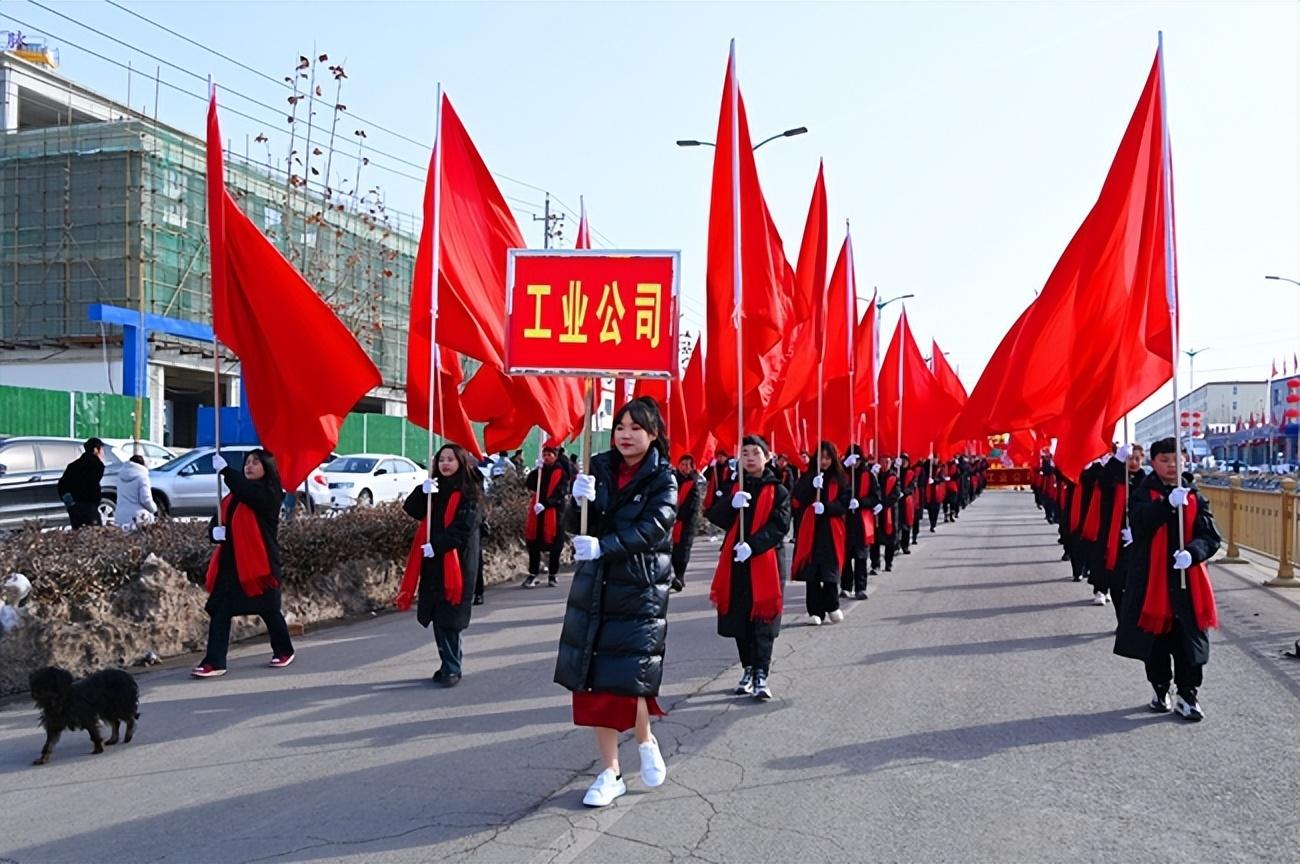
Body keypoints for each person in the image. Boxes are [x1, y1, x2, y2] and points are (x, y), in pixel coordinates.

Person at [555, 396, 677, 808]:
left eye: (635, 428)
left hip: (639, 589)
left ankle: (645, 739)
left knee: (628, 679)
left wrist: (603, 546)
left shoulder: (663, 479)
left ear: (653, 433)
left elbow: (653, 528)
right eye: (620, 427)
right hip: (596, 586)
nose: (625, 435)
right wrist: (577, 500)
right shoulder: (599, 468)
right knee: (595, 682)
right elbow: (576, 525)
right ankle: (611, 772)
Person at [1114, 437, 1221, 722]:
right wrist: (1167, 505)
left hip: (1188, 581)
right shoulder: (1142, 493)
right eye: (1165, 460)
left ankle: (1188, 694)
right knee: (1156, 641)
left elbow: (1211, 536)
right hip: (1152, 580)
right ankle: (1160, 688)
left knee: (1189, 641)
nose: (1172, 465)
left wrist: (1193, 553)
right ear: (1154, 463)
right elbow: (1140, 523)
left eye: (1177, 459)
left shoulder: (1194, 495)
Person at [191, 450, 295, 678]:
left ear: (267, 467)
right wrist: (215, 532)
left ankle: (284, 650)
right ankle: (215, 662)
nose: (249, 466)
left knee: (268, 609)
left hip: (259, 565)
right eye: (247, 462)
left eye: (255, 462)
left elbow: (251, 495)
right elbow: (219, 518)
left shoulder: (270, 493)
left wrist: (227, 472)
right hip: (231, 564)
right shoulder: (233, 496)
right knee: (220, 610)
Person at [706, 435, 790, 701]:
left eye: (756, 452)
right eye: (745, 453)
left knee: (762, 620)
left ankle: (762, 673)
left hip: (766, 562)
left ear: (767, 457)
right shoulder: (734, 487)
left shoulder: (778, 490)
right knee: (740, 617)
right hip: (737, 563)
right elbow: (714, 515)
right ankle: (748, 668)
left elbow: (779, 526)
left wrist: (753, 545)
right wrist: (730, 504)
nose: (750, 458)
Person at [396, 444, 484, 686]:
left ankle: (452, 668)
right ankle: (448, 663)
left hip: (457, 562)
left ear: (460, 462)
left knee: (449, 617)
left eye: (450, 459)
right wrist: (422, 492)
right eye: (441, 459)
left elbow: (465, 527)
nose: (445, 464)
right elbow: (412, 510)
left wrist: (439, 545)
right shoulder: (434, 487)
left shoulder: (470, 490)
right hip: (433, 562)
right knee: (437, 614)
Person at [790, 441, 850, 626]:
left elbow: (844, 504)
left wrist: (827, 508)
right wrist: (811, 486)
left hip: (831, 531)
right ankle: (815, 610)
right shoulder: (808, 476)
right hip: (811, 529)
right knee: (812, 574)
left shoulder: (841, 479)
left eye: (828, 458)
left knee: (830, 573)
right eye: (821, 458)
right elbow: (797, 500)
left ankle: (832, 605)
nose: (824, 461)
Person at [523, 446, 570, 589]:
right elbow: (530, 485)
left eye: (549, 454)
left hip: (555, 514)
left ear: (555, 456)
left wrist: (546, 504)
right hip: (537, 513)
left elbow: (561, 492)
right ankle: (533, 573)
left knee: (555, 546)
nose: (546, 457)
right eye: (544, 455)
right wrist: (534, 472)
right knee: (534, 544)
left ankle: (552, 574)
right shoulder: (540, 471)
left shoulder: (561, 472)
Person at [841, 444, 876, 599]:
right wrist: (844, 466)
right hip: (845, 520)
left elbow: (875, 498)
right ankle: (845, 586)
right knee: (846, 556)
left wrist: (861, 502)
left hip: (861, 522)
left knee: (861, 557)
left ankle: (860, 587)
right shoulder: (842, 475)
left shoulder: (868, 475)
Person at [670, 454, 703, 592]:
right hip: (670, 520)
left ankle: (680, 576)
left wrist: (678, 515)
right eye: (682, 464)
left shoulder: (693, 483)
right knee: (670, 550)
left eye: (687, 465)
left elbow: (693, 506)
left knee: (682, 550)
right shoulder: (671, 479)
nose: (685, 467)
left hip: (686, 523)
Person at [57, 437, 105, 529]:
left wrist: (69, 502)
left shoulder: (73, 465)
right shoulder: (97, 465)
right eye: (101, 449)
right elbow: (92, 485)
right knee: (94, 532)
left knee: (77, 532)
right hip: (90, 506)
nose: (102, 453)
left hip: (74, 506)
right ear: (95, 449)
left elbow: (62, 485)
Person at [871, 455, 903, 574]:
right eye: (882, 461)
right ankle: (875, 564)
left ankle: (888, 562)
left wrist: (883, 504)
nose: (884, 464)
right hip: (876, 511)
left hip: (889, 511)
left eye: (887, 461)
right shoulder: (875, 475)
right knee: (875, 540)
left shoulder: (894, 477)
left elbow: (896, 494)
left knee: (890, 539)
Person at [116, 455, 158, 531]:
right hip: (138, 517)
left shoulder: (120, 475)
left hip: (120, 516)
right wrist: (154, 509)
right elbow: (146, 500)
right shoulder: (143, 477)